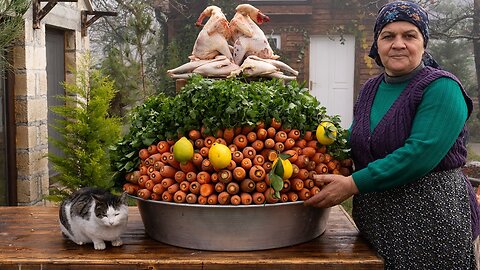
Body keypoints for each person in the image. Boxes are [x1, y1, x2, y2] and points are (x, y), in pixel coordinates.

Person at [304, 1, 480, 269]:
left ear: (423, 43)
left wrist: (352, 184)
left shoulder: (442, 88)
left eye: (409, 35)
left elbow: (418, 154)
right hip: (377, 223)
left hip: (431, 224)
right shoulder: (371, 88)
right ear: (378, 44)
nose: (398, 44)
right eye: (388, 36)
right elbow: (359, 137)